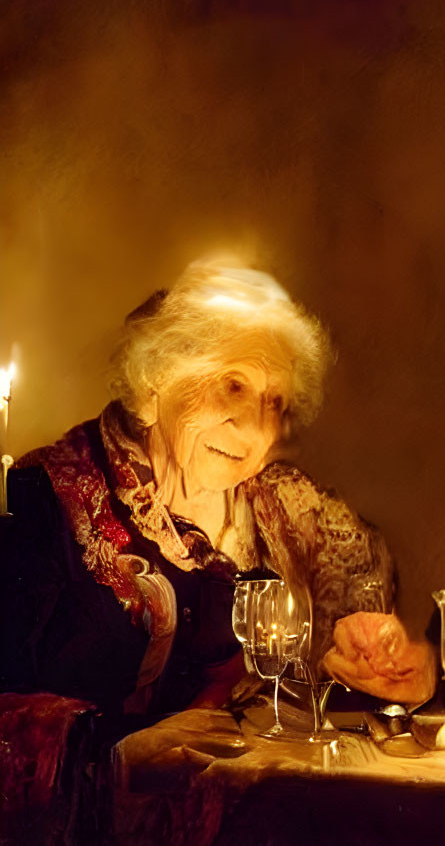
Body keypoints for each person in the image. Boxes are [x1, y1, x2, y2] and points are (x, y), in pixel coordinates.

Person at [0, 260, 398, 718]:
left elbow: (378, 612)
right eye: (232, 385)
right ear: (155, 378)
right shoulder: (44, 498)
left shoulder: (288, 504)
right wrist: (125, 751)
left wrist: (389, 658)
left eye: (273, 402)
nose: (251, 426)